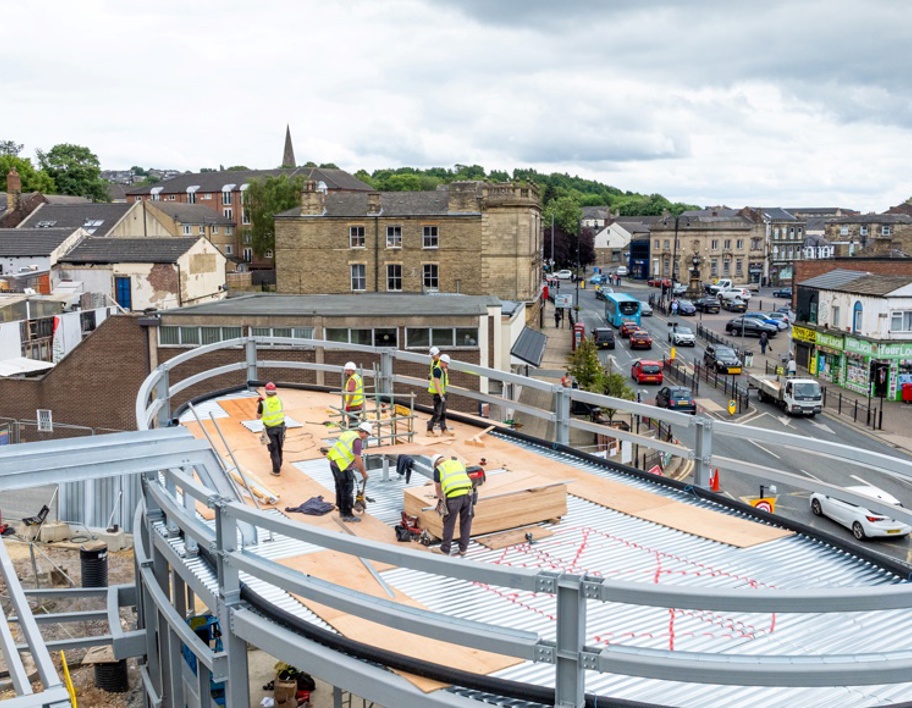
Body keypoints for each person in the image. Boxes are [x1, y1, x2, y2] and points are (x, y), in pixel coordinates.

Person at [327, 422, 372, 522]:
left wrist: (351, 463)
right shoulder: (357, 441)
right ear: (364, 432)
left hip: (334, 462)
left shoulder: (349, 433)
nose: (366, 437)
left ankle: (340, 507)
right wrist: (363, 473)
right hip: (342, 467)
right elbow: (358, 458)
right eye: (367, 435)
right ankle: (347, 514)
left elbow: (345, 450)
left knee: (339, 487)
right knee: (347, 491)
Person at [431, 453, 474, 557]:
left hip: (454, 497)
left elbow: (438, 486)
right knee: (466, 521)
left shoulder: (439, 469)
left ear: (436, 464)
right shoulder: (458, 463)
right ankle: (463, 549)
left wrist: (440, 499)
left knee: (449, 522)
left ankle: (445, 549)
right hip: (468, 495)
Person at [257, 382, 286, 476]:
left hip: (270, 429)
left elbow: (258, 416)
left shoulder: (263, 404)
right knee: (279, 447)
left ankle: (276, 470)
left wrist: (260, 405)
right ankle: (279, 464)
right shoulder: (279, 400)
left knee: (274, 449)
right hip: (281, 427)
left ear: (266, 392)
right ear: (275, 391)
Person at [426, 354, 453, 437]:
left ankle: (444, 430)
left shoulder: (442, 370)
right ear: (442, 362)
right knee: (437, 413)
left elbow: (443, 382)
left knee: (443, 413)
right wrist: (441, 395)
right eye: (446, 363)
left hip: (442, 394)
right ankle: (429, 430)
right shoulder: (437, 370)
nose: (446, 365)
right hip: (438, 395)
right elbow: (437, 384)